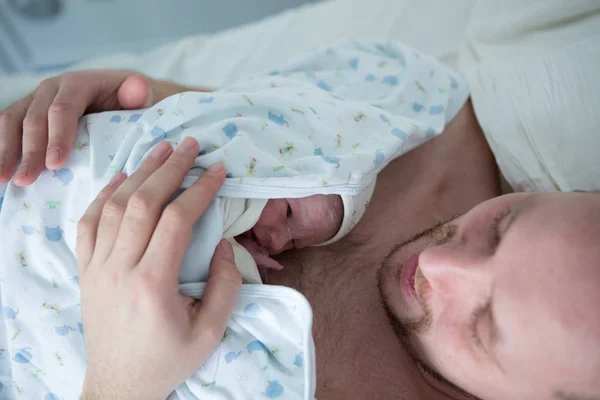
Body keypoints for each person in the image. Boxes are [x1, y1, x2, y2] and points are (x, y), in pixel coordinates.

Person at [0, 47, 598, 400]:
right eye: (501, 227)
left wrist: (119, 381)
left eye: (484, 324)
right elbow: (233, 113)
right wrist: (122, 96)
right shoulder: (425, 113)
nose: (440, 263)